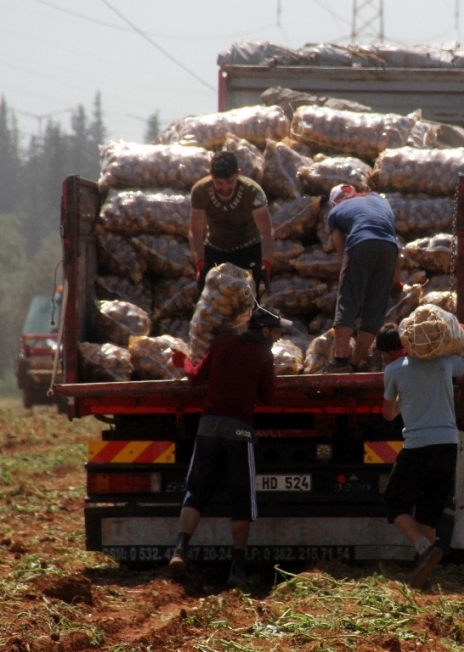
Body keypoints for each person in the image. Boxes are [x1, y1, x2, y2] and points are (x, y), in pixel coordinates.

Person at [167, 307, 290, 590]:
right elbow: (268, 398)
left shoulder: (222, 342)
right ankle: (237, 568)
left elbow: (196, 376)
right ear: (265, 331)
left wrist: (182, 362)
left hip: (208, 427)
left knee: (195, 492)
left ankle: (180, 552)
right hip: (239, 431)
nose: (280, 335)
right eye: (277, 330)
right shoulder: (264, 355)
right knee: (241, 502)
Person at [377, 321, 464, 588]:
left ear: (388, 352)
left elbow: (388, 414)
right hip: (448, 445)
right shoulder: (445, 362)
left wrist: (407, 398)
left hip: (418, 446)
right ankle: (422, 574)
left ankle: (424, 547)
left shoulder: (393, 370)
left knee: (394, 502)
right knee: (429, 510)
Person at [322, 184, 400, 373]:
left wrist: (353, 274)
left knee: (348, 301)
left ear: (335, 201)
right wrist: (396, 282)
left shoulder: (336, 212)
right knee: (375, 308)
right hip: (390, 249)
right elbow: (394, 243)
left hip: (361, 243)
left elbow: (342, 254)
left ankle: (340, 361)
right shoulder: (379, 199)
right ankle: (356, 363)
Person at [190, 151, 275, 297]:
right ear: (211, 175)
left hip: (248, 248)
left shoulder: (252, 192)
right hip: (216, 248)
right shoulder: (200, 191)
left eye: (230, 182)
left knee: (249, 303)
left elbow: (267, 232)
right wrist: (199, 262)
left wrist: (265, 264)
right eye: (219, 183)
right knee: (209, 303)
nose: (225, 188)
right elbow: (196, 232)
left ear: (238, 173)